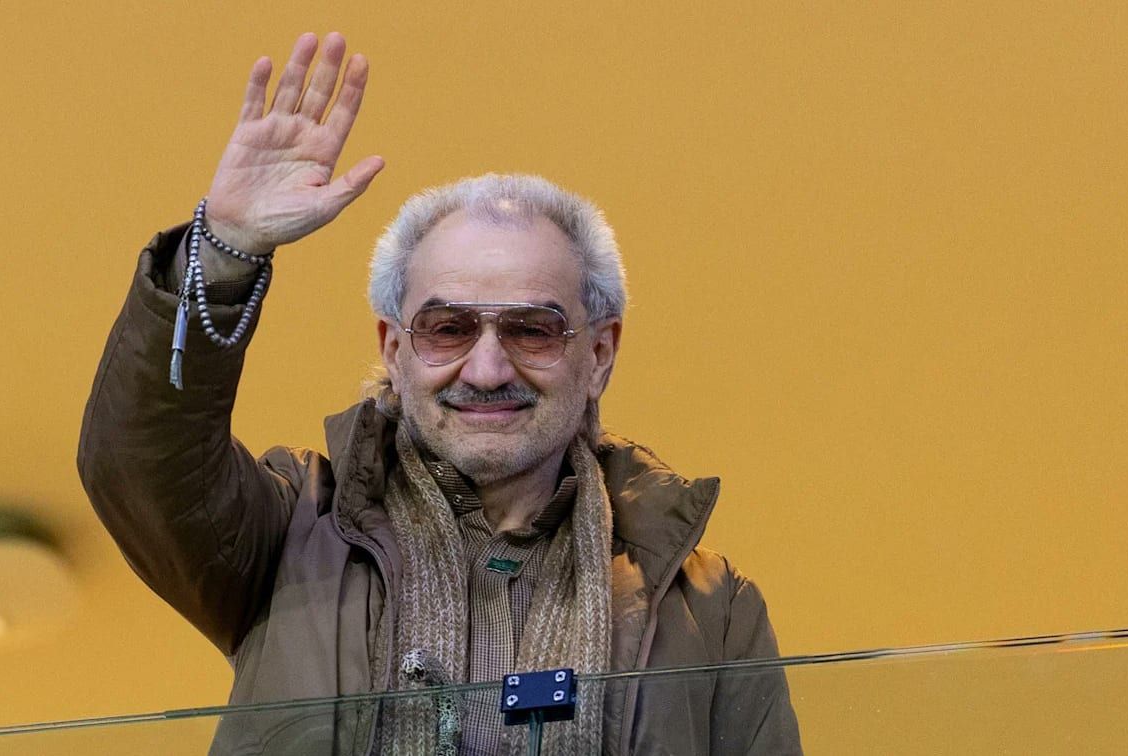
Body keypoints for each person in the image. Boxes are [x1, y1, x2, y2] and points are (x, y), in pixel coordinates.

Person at [78, 32, 801, 756]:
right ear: (394, 351)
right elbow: (138, 463)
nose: (486, 370)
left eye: (532, 330)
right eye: (448, 328)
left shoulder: (711, 610)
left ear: (600, 353)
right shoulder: (294, 532)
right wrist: (224, 251)